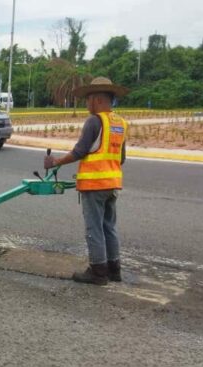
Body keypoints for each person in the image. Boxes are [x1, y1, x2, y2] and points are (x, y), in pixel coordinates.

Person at [43, 77, 129, 285]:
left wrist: (55, 161)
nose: (86, 104)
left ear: (97, 100)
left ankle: (98, 272)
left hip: (94, 185)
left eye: (88, 100)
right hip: (113, 184)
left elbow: (80, 151)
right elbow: (122, 158)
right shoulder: (120, 123)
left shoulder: (94, 121)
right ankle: (114, 269)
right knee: (109, 226)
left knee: (94, 228)